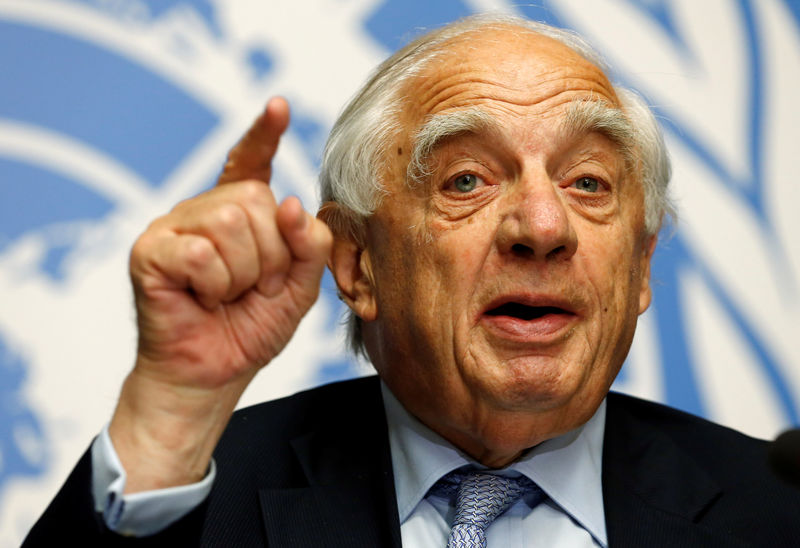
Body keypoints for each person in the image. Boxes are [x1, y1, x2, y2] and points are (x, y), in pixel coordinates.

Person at [23, 13, 800, 547]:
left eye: (589, 182)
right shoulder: (201, 501)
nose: (543, 226)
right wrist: (170, 419)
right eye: (467, 180)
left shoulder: (777, 512)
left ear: (640, 266)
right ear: (357, 263)